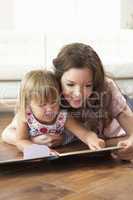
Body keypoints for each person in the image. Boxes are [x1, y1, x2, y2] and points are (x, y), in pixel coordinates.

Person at [1, 69, 105, 152]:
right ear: (29, 104)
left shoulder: (62, 116)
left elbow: (85, 133)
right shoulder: (25, 116)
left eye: (54, 102)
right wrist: (38, 150)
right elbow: (21, 141)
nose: (50, 109)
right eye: (42, 105)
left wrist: (94, 140)